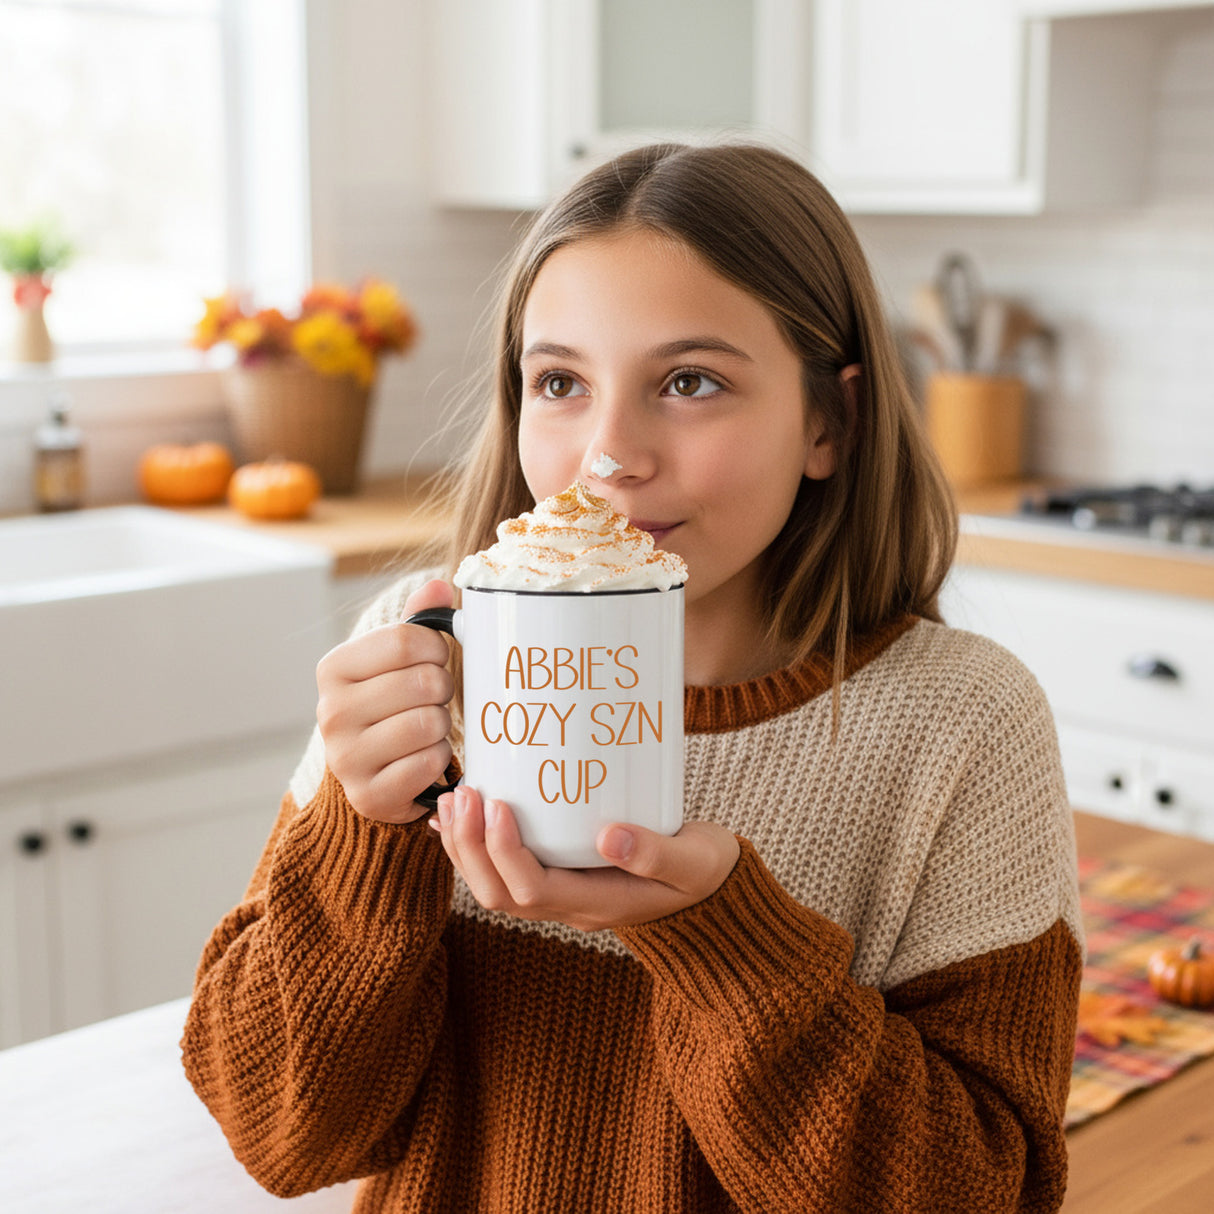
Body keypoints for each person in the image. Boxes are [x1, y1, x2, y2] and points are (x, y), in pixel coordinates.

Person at [182, 142, 1083, 1212]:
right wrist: (362, 838)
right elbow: (277, 1129)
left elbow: (981, 1188)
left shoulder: (959, 724)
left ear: (826, 423)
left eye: (688, 381)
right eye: (559, 381)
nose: (608, 453)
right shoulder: (424, 657)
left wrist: (718, 937)